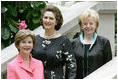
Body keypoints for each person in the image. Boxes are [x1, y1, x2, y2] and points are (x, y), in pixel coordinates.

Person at [31, 5, 76, 79]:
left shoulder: (63, 41)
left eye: (51, 18)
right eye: (45, 18)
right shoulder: (35, 39)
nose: (47, 21)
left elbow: (71, 65)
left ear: (56, 22)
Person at [71, 9, 112, 79]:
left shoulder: (104, 42)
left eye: (91, 23)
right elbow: (71, 68)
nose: (88, 26)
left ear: (96, 25)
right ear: (81, 26)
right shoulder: (73, 43)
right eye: (85, 23)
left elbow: (108, 67)